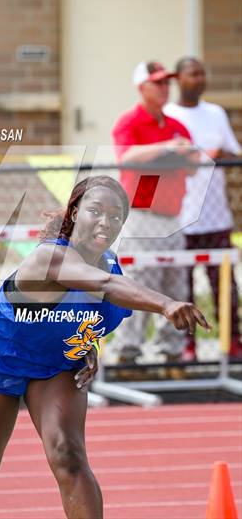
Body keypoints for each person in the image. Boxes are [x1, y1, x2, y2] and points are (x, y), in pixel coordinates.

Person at [0, 175, 210, 519]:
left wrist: (84, 340)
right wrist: (166, 304)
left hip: (55, 367)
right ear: (75, 213)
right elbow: (103, 286)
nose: (106, 221)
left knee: (69, 456)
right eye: (96, 210)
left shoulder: (110, 263)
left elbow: (92, 306)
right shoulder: (50, 258)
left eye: (116, 215)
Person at [110, 61, 199, 370]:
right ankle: (128, 354)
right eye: (157, 83)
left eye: (166, 83)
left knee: (176, 286)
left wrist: (173, 152)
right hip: (141, 214)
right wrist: (166, 149)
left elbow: (193, 162)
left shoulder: (175, 124)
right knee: (138, 285)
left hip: (173, 215)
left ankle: (171, 354)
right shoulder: (131, 121)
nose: (164, 88)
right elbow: (128, 157)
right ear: (142, 88)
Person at [164, 56, 242, 360]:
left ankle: (232, 342)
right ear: (178, 79)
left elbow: (233, 152)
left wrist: (215, 153)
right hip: (181, 217)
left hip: (216, 216)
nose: (198, 79)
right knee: (182, 287)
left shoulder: (215, 113)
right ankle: (188, 345)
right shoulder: (169, 116)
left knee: (225, 284)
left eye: (201, 74)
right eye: (192, 74)